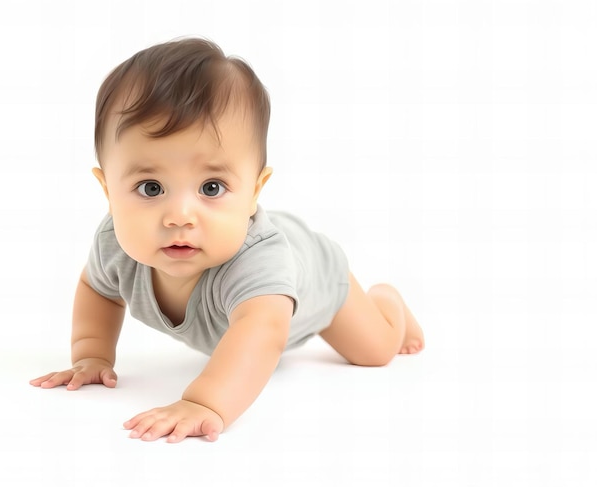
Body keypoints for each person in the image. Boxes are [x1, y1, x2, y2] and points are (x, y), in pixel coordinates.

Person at [30, 37, 424, 443]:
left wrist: (206, 401)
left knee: (375, 352)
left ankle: (387, 302)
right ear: (108, 190)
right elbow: (97, 289)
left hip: (320, 280)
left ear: (255, 191)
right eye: (150, 188)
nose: (179, 216)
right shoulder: (115, 243)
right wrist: (92, 353)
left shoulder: (258, 262)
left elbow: (265, 331)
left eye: (212, 187)